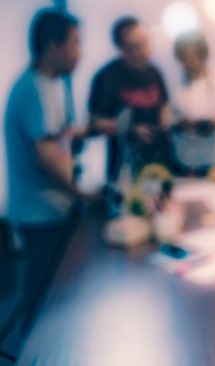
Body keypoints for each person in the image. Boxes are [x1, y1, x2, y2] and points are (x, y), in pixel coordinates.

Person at [2, 8, 88, 358]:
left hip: (51, 211)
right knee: (43, 308)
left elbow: (57, 136)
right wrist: (83, 194)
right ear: (53, 46)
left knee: (51, 300)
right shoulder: (32, 89)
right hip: (41, 214)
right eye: (74, 44)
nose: (79, 52)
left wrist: (93, 129)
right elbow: (46, 155)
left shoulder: (48, 83)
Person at [88, 16, 171, 210]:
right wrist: (131, 130)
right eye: (135, 45)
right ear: (122, 48)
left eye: (144, 42)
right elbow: (95, 122)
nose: (142, 49)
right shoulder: (107, 77)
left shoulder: (154, 73)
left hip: (158, 167)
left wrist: (164, 126)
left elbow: (164, 104)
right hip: (123, 172)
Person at [170, 30, 215, 177]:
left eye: (193, 57)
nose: (189, 62)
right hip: (187, 160)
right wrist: (186, 123)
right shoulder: (174, 84)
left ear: (203, 55)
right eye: (184, 58)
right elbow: (170, 121)